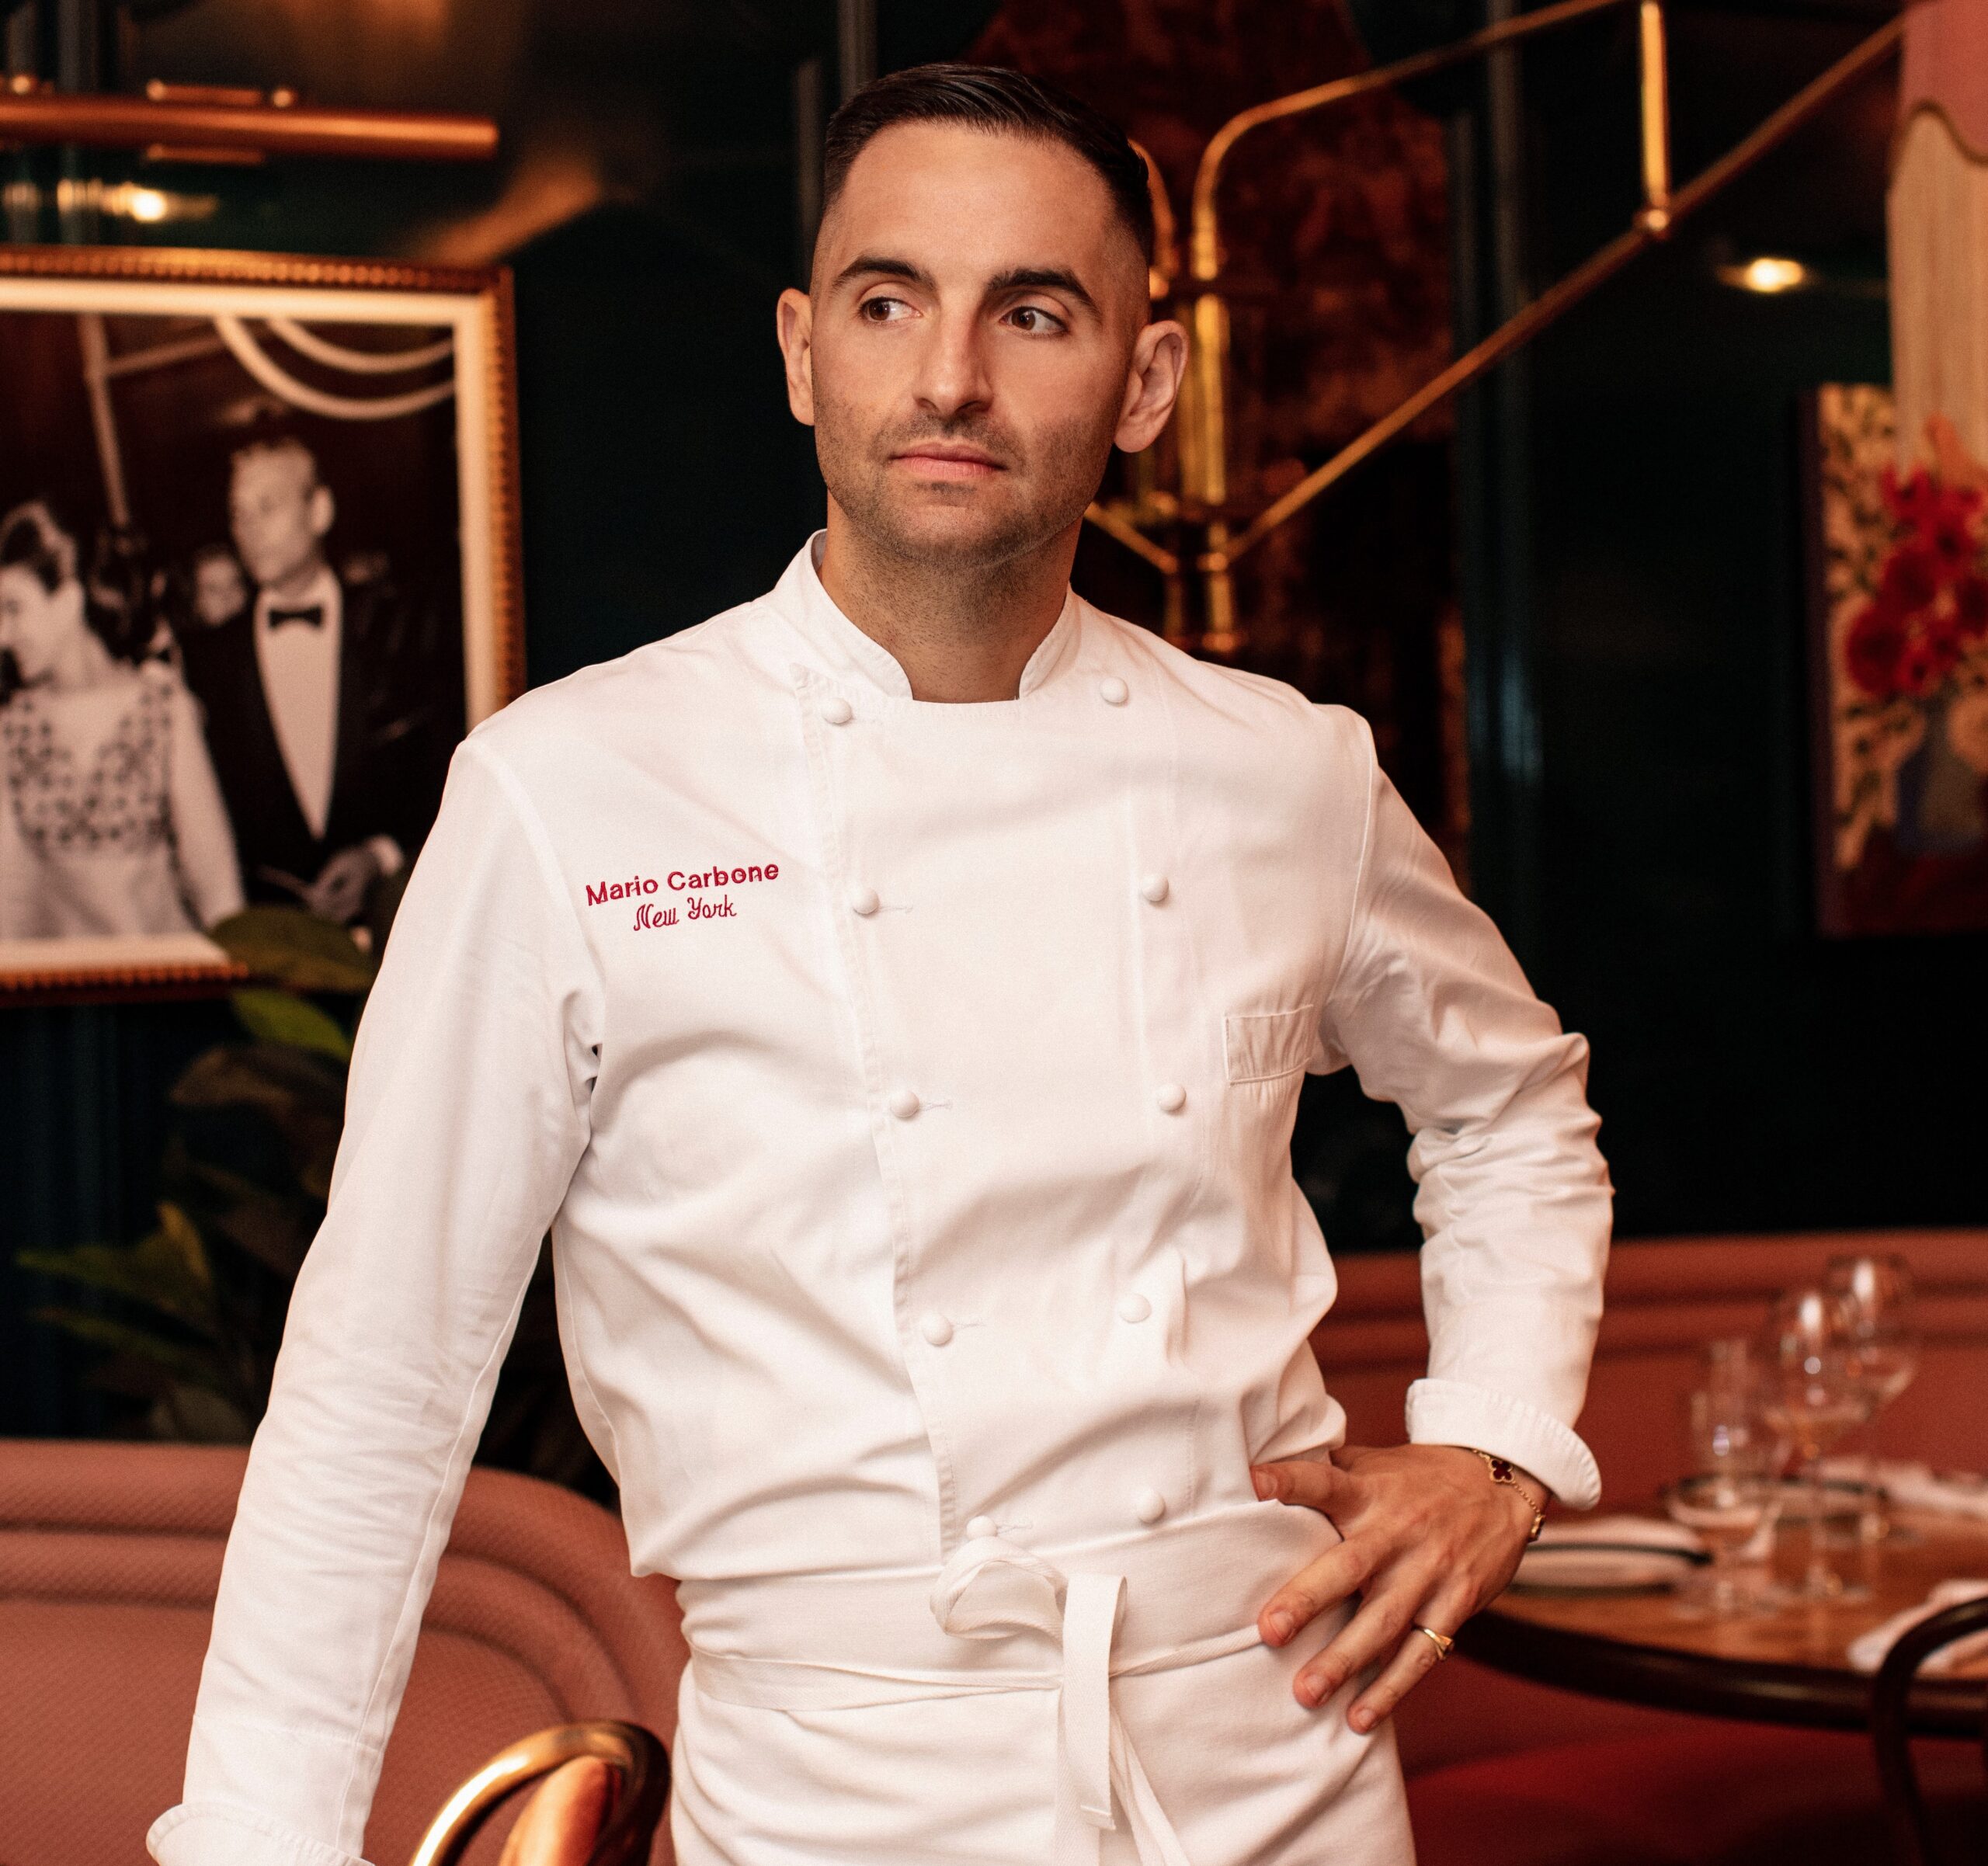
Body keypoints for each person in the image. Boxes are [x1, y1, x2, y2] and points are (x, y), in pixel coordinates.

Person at [150, 65, 1611, 1866]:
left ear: (1145, 382)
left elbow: (1508, 1107)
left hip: (1272, 1757)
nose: (948, 377)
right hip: (833, 1793)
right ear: (799, 351)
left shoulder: (1280, 771)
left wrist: (1494, 1446)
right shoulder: (569, 790)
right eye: (886, 300)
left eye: (1033, 312)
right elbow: (378, 1376)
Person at [179, 432, 461, 924]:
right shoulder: (207, 660)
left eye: (268, 506)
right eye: (238, 513)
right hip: (270, 934)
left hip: (396, 920)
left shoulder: (398, 627)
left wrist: (378, 855)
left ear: (319, 511)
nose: (248, 528)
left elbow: (444, 763)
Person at [0, 500, 243, 940]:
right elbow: (9, 900)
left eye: (13, 608)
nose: (2, 634)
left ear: (68, 600)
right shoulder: (12, 727)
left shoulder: (162, 709)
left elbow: (216, 885)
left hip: (164, 974)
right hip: (60, 980)